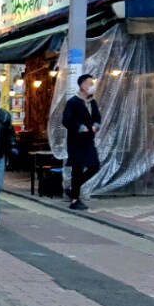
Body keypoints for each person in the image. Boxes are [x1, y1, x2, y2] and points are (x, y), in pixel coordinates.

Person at [62, 72, 101, 211]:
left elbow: (97, 117)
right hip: (76, 141)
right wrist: (80, 127)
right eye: (90, 83)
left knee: (95, 166)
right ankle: (74, 200)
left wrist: (96, 125)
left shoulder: (92, 102)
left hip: (89, 140)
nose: (93, 86)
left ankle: (73, 188)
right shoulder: (73, 102)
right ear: (83, 86)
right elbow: (66, 120)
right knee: (77, 168)